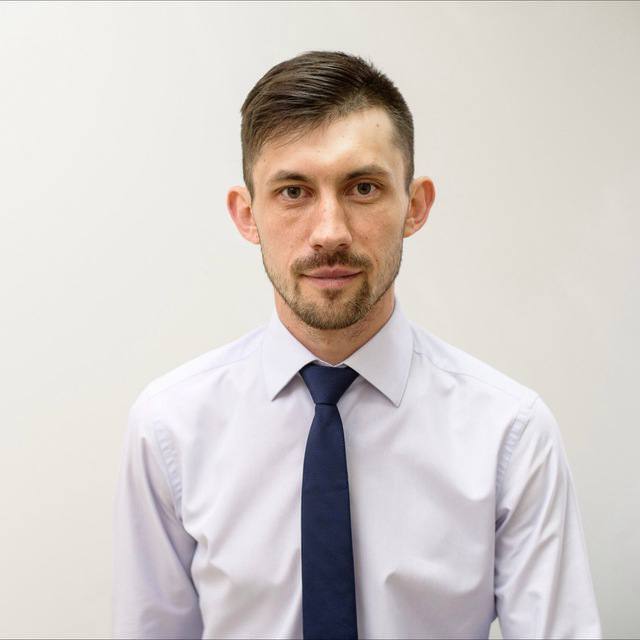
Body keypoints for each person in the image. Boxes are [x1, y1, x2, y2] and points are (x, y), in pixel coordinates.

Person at [112, 51, 601, 639]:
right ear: (247, 215)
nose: (330, 232)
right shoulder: (169, 428)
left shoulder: (510, 435)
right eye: (293, 191)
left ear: (415, 206)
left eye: (363, 187)